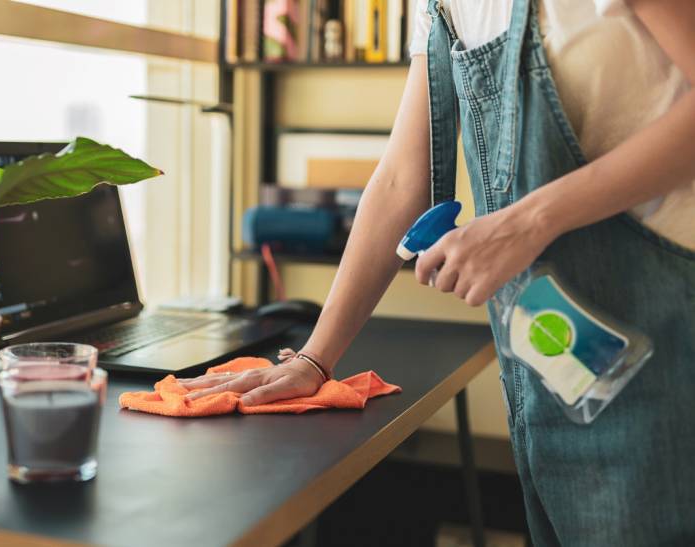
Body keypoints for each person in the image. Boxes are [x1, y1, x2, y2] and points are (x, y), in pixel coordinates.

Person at [180, 0, 695, 543]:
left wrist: (530, 220)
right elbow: (404, 178)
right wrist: (315, 358)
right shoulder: (441, 6)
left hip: (665, 349)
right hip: (555, 373)